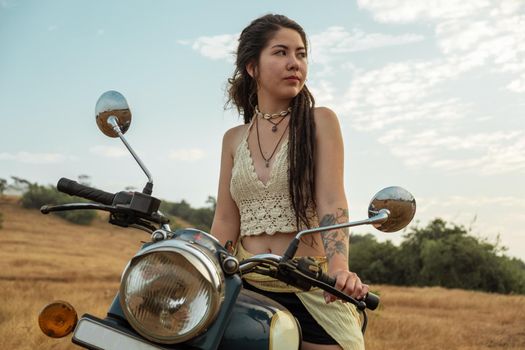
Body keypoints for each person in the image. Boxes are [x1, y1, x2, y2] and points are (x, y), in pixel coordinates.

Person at [211, 14, 368, 350]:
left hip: (310, 286)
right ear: (252, 67)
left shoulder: (319, 122)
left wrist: (340, 269)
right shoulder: (233, 139)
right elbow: (225, 220)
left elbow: (331, 201)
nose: (294, 63)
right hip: (246, 285)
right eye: (281, 53)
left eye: (301, 54)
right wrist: (200, 268)